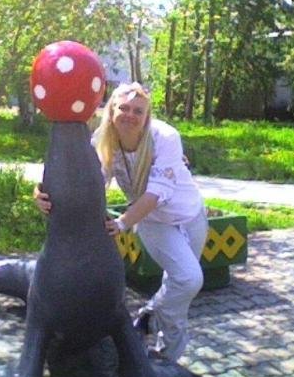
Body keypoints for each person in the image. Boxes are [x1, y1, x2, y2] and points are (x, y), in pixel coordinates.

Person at [34, 81, 208, 362]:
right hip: (154, 221)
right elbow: (88, 183)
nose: (130, 115)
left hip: (192, 215)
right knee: (189, 280)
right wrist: (43, 193)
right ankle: (167, 353)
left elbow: (158, 191)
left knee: (180, 285)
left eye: (138, 111)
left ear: (147, 116)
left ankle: (155, 326)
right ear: (111, 110)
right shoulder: (102, 141)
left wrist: (123, 222)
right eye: (124, 108)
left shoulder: (165, 136)